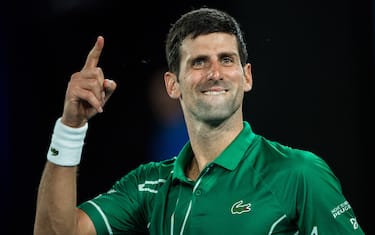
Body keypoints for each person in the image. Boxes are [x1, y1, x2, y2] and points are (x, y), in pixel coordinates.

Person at [33, 7, 365, 235]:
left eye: (226, 59)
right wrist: (71, 127)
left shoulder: (299, 174)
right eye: (199, 62)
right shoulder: (149, 185)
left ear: (246, 77)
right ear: (172, 84)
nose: (215, 73)